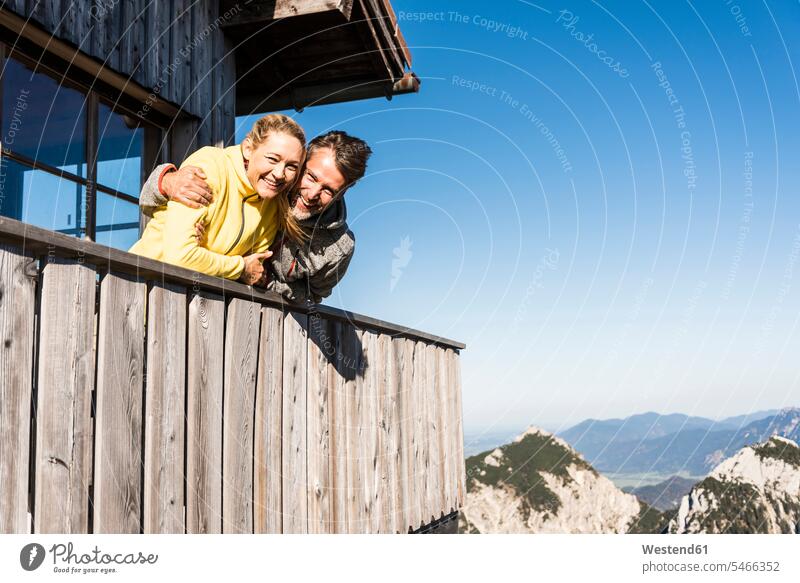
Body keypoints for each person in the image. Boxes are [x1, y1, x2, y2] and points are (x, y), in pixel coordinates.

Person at [139, 130, 372, 303]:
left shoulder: (340, 247)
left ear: (344, 191)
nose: (312, 194)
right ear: (301, 163)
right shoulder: (268, 185)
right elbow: (148, 203)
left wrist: (267, 281)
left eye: (328, 190)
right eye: (310, 176)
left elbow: (313, 297)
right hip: (165, 290)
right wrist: (168, 181)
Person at [130, 114, 306, 285]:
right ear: (248, 149)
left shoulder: (272, 205)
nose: (279, 174)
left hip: (192, 302)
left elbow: (255, 269)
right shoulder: (211, 165)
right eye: (272, 159)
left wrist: (208, 252)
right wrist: (240, 267)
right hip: (138, 284)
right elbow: (179, 257)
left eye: (291, 166)